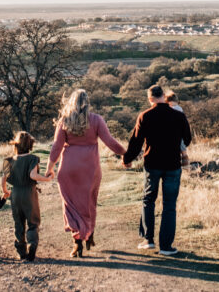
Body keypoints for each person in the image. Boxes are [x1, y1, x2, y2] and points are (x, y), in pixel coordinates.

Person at [45, 89, 126, 258]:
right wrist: (125, 153)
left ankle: (77, 243)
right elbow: (110, 141)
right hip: (90, 168)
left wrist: (49, 167)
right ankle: (89, 235)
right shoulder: (96, 120)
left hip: (68, 168)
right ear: (87, 102)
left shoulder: (64, 120)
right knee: (89, 202)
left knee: (71, 205)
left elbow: (56, 147)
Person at [122, 84, 192, 256]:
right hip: (173, 165)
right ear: (163, 96)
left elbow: (136, 142)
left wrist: (127, 159)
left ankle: (148, 240)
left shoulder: (145, 116)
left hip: (152, 164)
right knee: (169, 205)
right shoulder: (178, 116)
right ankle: (166, 247)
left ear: (150, 98)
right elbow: (188, 139)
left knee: (148, 200)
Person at [1, 131, 51, 262]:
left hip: (15, 193)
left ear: (16, 145)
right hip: (29, 192)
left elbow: (3, 179)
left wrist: (6, 191)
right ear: (30, 145)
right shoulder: (32, 159)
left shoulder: (9, 161)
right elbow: (33, 176)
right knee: (33, 222)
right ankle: (32, 244)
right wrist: (47, 179)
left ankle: (21, 251)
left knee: (18, 222)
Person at [165, 90, 190, 168]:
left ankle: (184, 158)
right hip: (179, 131)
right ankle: (184, 158)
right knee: (181, 144)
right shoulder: (178, 107)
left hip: (176, 131)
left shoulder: (175, 108)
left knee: (180, 144)